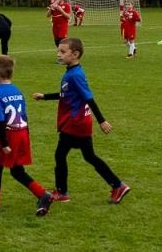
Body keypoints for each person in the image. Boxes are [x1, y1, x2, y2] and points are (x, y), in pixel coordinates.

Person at [34, 37, 130, 205]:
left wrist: (102, 120)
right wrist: (45, 97)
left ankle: (62, 192)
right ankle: (117, 185)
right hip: (79, 122)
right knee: (89, 156)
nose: (59, 54)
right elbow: (66, 94)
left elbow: (88, 98)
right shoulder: (72, 72)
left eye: (63, 52)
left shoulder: (75, 75)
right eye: (58, 51)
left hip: (75, 122)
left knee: (61, 154)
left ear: (75, 54)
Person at [0, 56, 54, 216]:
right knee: (16, 170)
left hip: (8, 134)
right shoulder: (17, 90)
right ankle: (42, 194)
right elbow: (23, 115)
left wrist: (4, 142)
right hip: (22, 132)